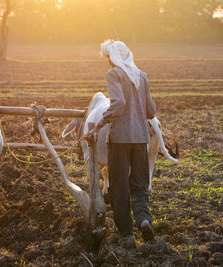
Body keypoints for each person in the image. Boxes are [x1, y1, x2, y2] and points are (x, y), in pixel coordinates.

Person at [88, 39, 156, 249]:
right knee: (139, 184)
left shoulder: (114, 74)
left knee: (118, 187)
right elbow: (151, 111)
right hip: (141, 139)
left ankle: (126, 234)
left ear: (112, 58)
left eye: (108, 58)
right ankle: (144, 219)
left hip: (119, 140)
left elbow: (117, 103)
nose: (108, 62)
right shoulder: (142, 76)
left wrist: (98, 124)